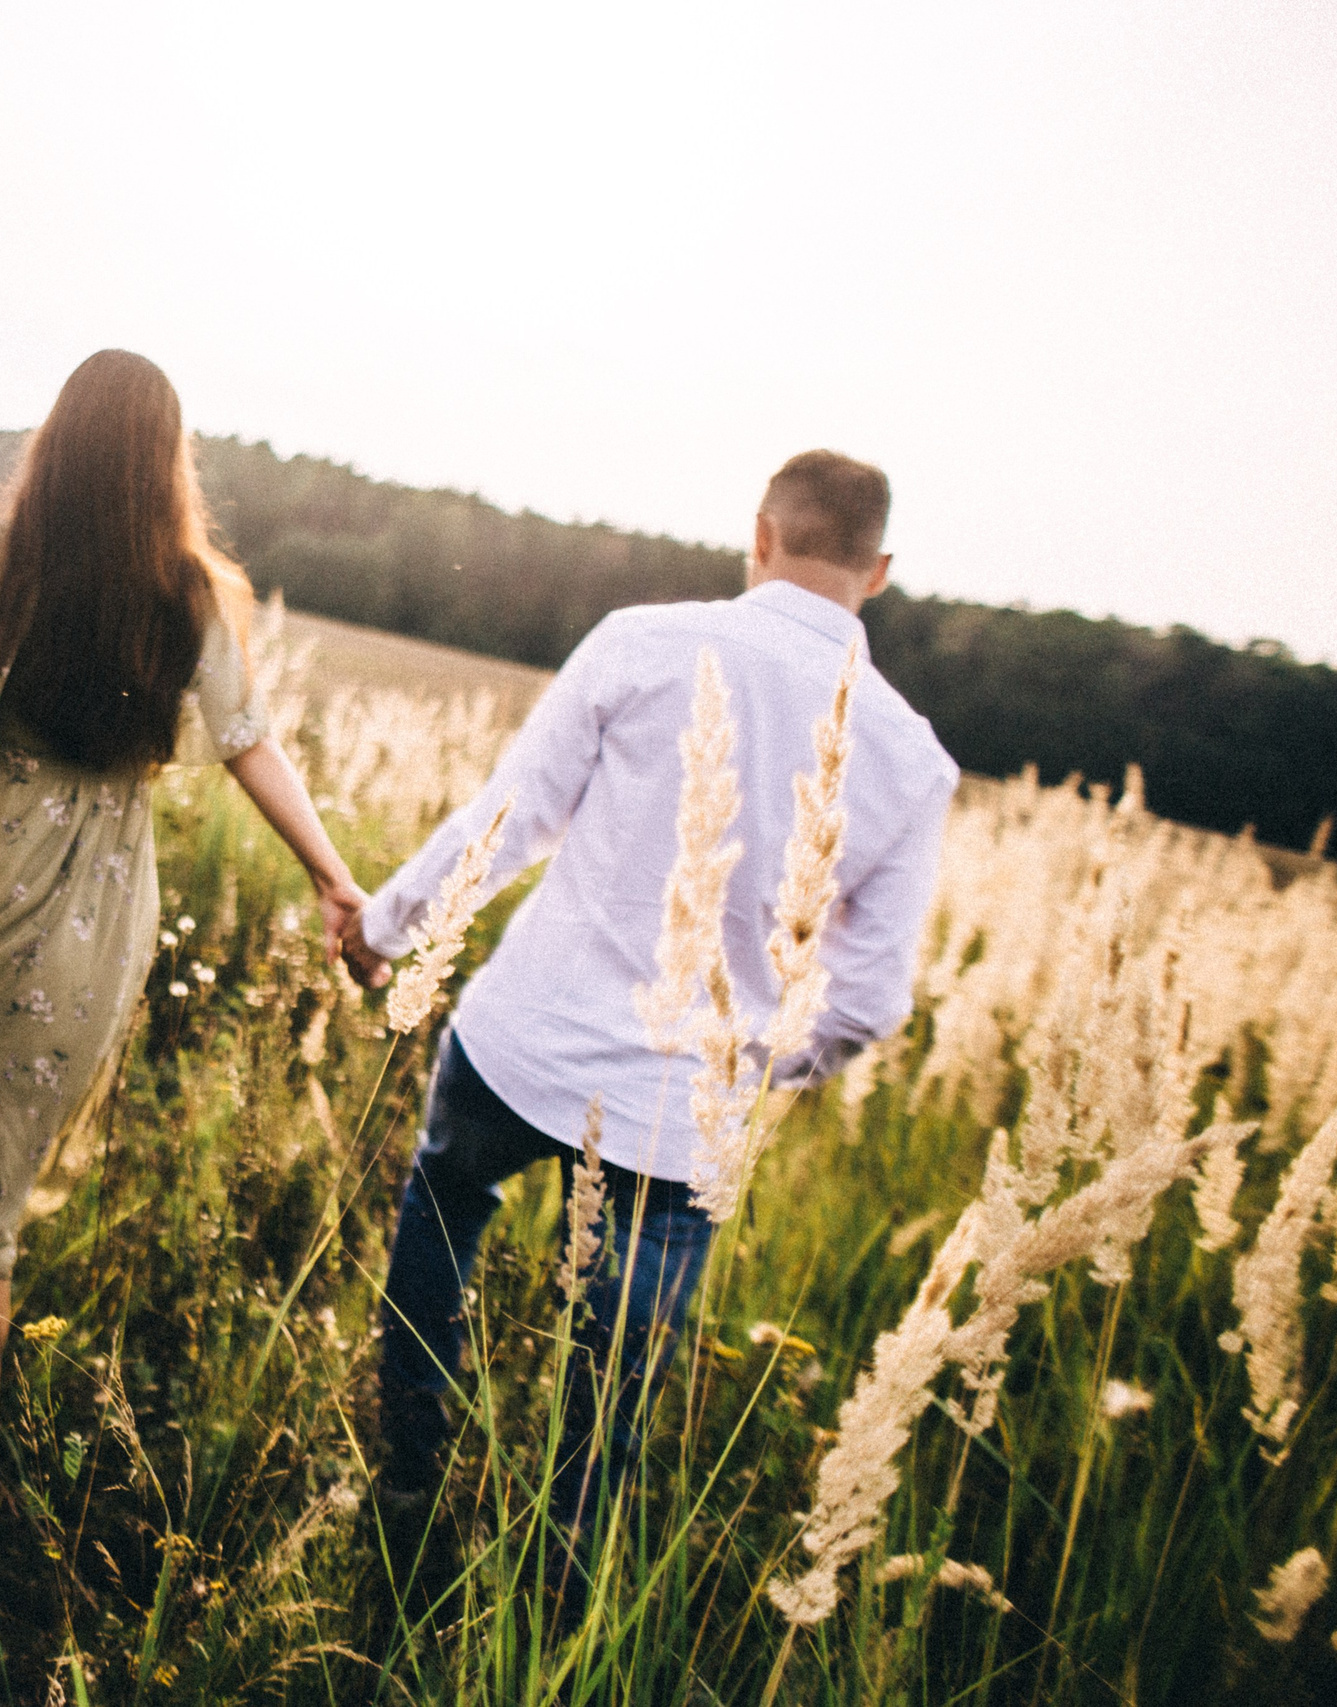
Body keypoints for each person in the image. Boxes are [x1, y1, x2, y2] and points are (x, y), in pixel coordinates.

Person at [341, 449, 958, 1599]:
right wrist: (760, 1066)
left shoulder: (643, 641)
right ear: (878, 571)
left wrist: (383, 927)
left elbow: (507, 823)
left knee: (446, 1203)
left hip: (518, 1046)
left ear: (760, 535)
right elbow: (871, 998)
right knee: (612, 1375)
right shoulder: (913, 762)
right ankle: (554, 1588)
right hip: (681, 1121)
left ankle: (410, 1478)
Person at [0, 349, 367, 1539]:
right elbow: (248, 743)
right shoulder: (191, 592)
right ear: (165, 464)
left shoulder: (1, 559)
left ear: (60, 438)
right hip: (103, 911)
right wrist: (331, 872)